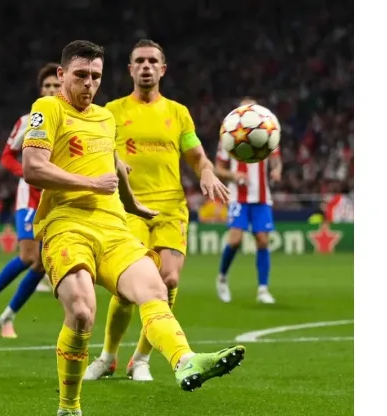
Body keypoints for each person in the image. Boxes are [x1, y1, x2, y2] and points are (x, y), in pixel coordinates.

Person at [21, 40, 245, 416]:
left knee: (156, 287)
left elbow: (112, 167)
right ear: (61, 75)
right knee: (80, 311)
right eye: (80, 75)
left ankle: (184, 360)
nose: (88, 84)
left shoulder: (105, 119)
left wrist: (134, 206)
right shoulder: (47, 109)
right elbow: (33, 168)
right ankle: (69, 406)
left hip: (114, 226)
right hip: (66, 226)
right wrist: (92, 185)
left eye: (95, 76)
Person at [84, 39, 229, 382]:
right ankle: (108, 356)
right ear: (130, 69)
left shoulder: (178, 113)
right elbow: (96, 151)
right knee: (127, 288)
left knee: (170, 278)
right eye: (140, 61)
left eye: (153, 61)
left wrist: (206, 170)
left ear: (162, 69)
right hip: (128, 208)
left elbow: (195, 155)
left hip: (170, 206)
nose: (146, 66)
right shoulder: (111, 112)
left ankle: (141, 359)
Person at [0, 62, 60, 338]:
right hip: (31, 198)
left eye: (56, 85)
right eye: (46, 85)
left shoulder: (71, 121)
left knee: (42, 264)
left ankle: (7, 317)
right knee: (27, 256)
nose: (51, 89)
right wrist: (27, 173)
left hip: (57, 199)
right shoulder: (29, 120)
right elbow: (6, 155)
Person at [215, 97, 282, 304]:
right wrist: (234, 177)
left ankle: (263, 289)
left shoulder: (267, 130)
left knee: (262, 240)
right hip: (239, 197)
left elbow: (276, 159)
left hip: (261, 197)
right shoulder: (228, 134)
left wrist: (277, 170)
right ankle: (222, 277)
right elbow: (218, 169)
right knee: (235, 240)